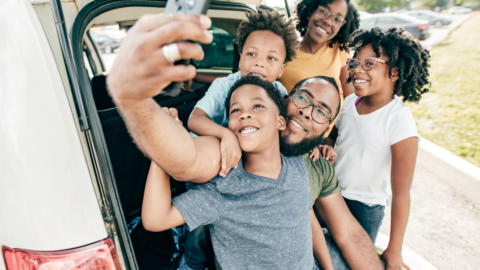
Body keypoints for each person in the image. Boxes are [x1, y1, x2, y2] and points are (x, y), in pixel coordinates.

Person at [106, 12, 383, 269]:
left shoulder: (303, 167)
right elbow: (189, 158)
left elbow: (313, 218)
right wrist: (138, 106)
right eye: (302, 98)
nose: (306, 112)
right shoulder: (227, 175)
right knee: (195, 245)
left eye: (321, 111)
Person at [142, 76, 334, 269]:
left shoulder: (298, 167)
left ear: (281, 122)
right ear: (229, 127)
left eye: (257, 106)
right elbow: (155, 220)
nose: (244, 114)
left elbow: (307, 222)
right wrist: (161, 150)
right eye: (236, 110)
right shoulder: (223, 189)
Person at [318, 27, 430, 270]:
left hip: (364, 209)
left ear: (395, 72)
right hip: (329, 196)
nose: (357, 69)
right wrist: (326, 148)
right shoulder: (348, 103)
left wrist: (394, 249)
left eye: (369, 63)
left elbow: (401, 194)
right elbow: (333, 140)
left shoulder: (399, 120)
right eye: (355, 62)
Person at [188, 10, 299, 177]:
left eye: (271, 58)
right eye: (251, 54)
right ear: (240, 59)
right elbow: (194, 120)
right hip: (205, 154)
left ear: (281, 70)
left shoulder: (279, 92)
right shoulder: (224, 86)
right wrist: (226, 135)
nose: (259, 63)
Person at [278, 0, 359, 98]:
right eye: (323, 11)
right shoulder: (283, 50)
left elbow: (351, 99)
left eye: (337, 19)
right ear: (309, 12)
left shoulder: (340, 51)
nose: (328, 21)